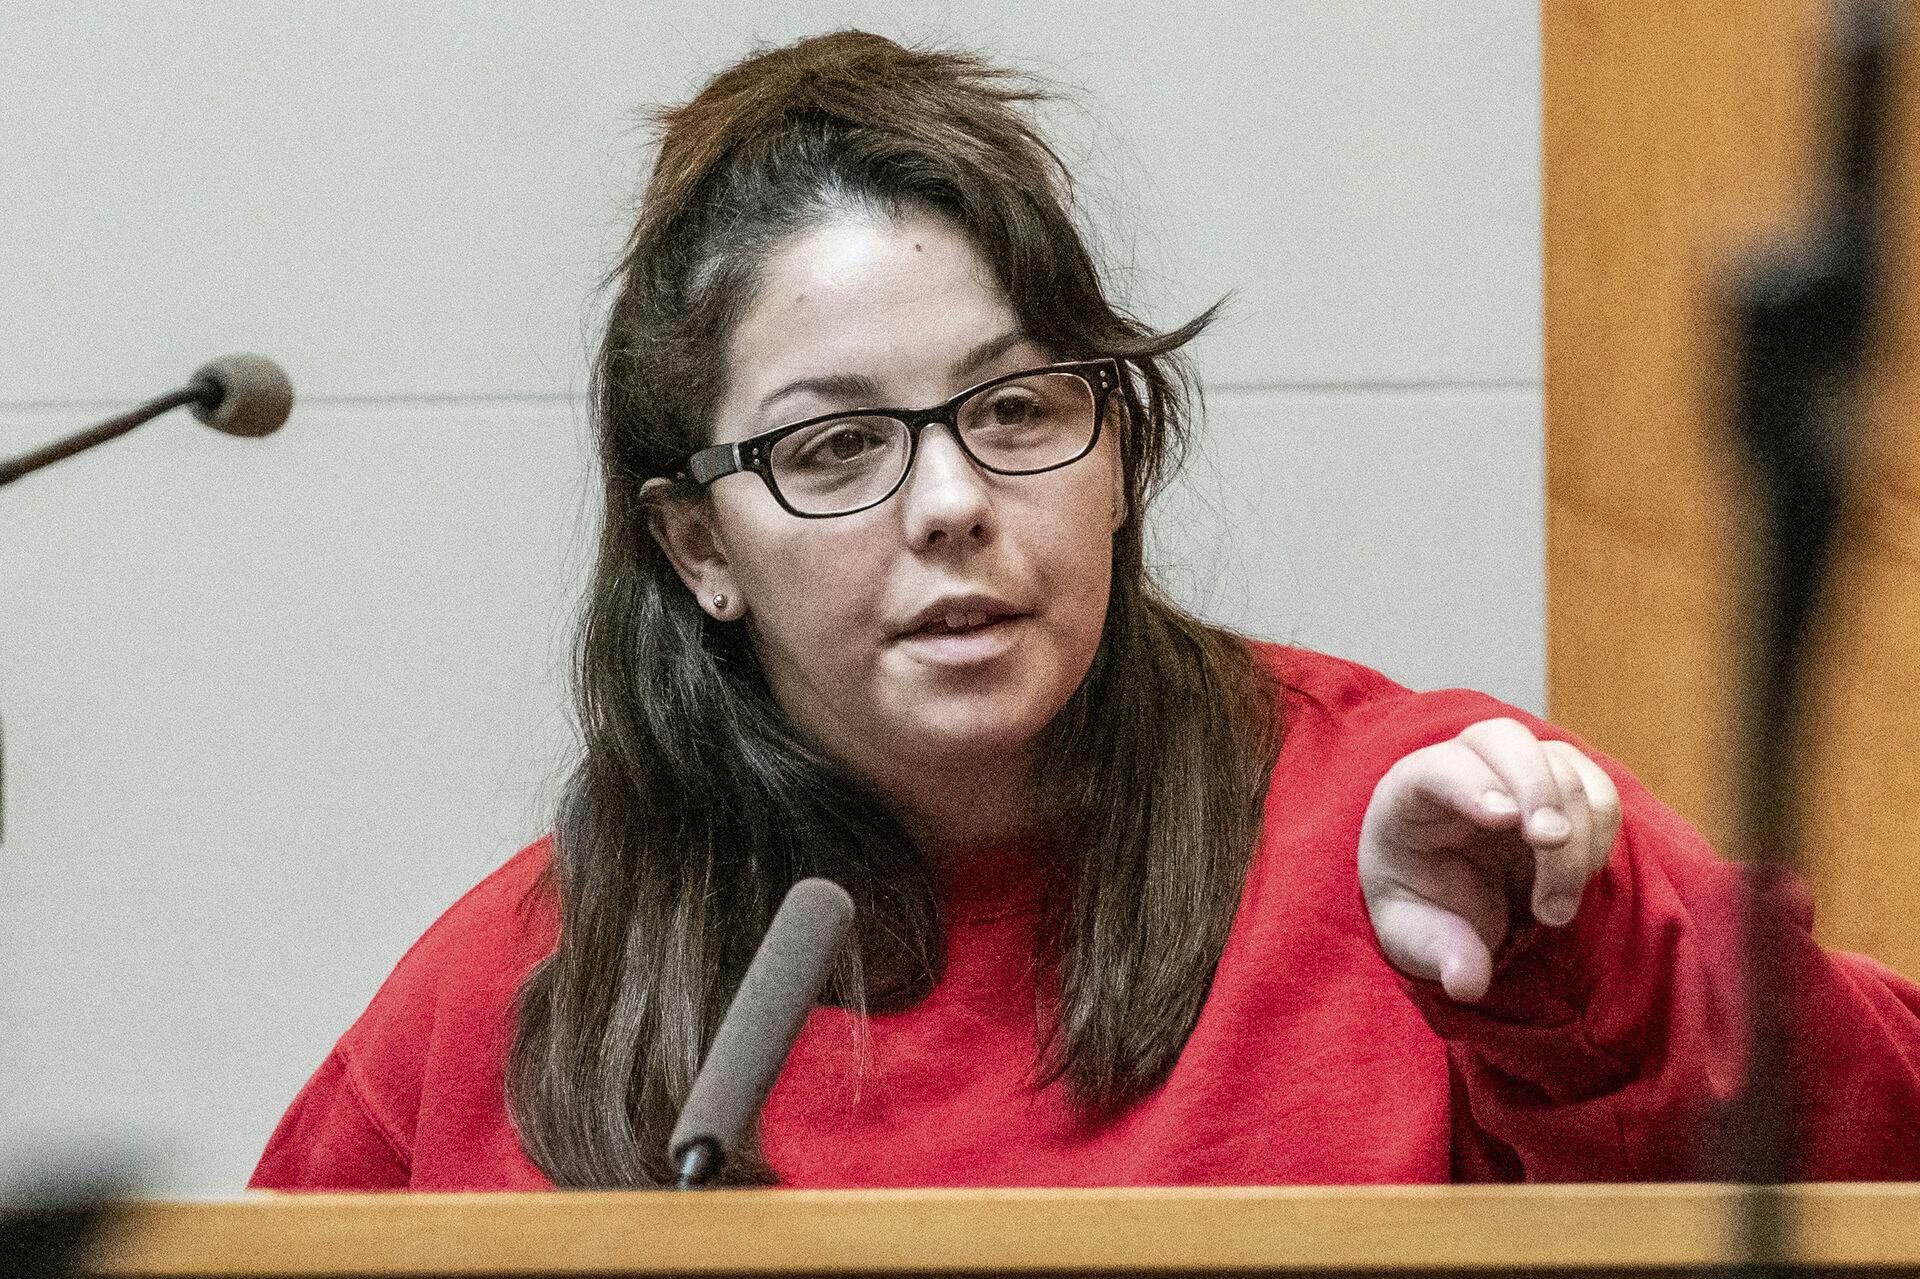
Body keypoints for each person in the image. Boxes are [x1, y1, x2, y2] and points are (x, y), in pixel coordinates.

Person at [250, 31, 1920, 1191]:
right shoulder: (517, 987)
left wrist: (1583, 966)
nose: (955, 500)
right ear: (699, 544)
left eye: (1021, 409)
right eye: (837, 445)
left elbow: (1874, 1153)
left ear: (1123, 451)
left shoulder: (1421, 826)